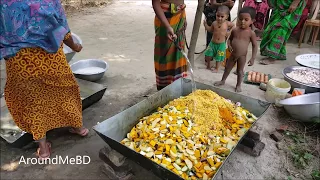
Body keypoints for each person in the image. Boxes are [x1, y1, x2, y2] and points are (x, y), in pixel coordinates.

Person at [0, 0, 89, 160]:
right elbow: (61, 29)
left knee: (32, 102)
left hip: (20, 62)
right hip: (50, 59)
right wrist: (75, 46)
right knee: (65, 91)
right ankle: (79, 127)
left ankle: (43, 148)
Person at [214, 7, 258, 92]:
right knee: (227, 68)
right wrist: (229, 45)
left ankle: (238, 85)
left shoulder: (251, 33)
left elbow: (255, 45)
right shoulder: (235, 30)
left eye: (246, 19)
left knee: (240, 71)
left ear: (252, 21)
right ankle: (222, 81)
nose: (242, 21)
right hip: (232, 54)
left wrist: (253, 58)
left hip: (242, 56)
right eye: (240, 19)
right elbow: (230, 39)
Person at [152, 0, 188, 90]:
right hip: (165, 19)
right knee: (165, 55)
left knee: (179, 51)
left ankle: (178, 86)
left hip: (179, 15)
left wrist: (184, 17)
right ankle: (164, 89)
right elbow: (155, 3)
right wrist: (167, 26)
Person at [259, 0, 306, 65]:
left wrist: (295, 2)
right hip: (280, 5)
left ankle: (272, 57)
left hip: (290, 5)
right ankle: (279, 53)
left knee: (280, 29)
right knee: (272, 28)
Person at [203, 6, 234, 73]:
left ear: (226, 17)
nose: (219, 18)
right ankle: (208, 66)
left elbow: (233, 26)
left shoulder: (227, 23)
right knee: (208, 54)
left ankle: (217, 68)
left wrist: (229, 32)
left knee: (219, 57)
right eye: (218, 16)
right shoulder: (214, 23)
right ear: (216, 14)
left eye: (222, 17)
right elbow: (210, 30)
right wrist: (205, 25)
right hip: (213, 43)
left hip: (221, 44)